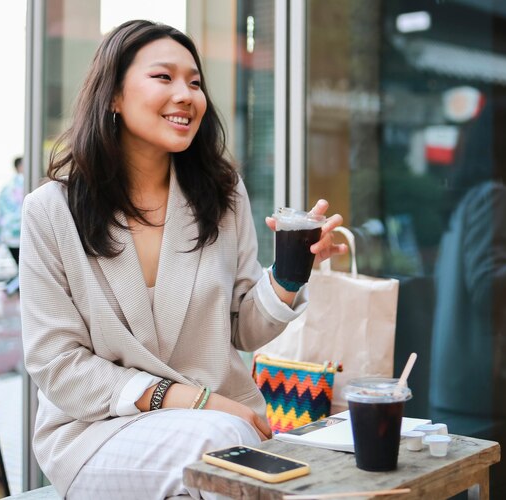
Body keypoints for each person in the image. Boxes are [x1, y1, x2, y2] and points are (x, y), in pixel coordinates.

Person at [19, 20, 346, 499]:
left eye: (195, 82)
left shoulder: (222, 195)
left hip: (220, 417)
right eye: (163, 77)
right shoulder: (50, 212)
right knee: (224, 448)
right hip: (98, 432)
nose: (186, 94)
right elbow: (57, 364)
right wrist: (196, 402)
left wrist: (290, 275)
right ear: (113, 94)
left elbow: (241, 327)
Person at [429, 97, 506, 499]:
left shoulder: (487, 195)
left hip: (481, 387)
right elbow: (487, 289)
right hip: (488, 390)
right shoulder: (493, 195)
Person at [0, 156, 24, 267]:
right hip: (21, 231)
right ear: (20, 166)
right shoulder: (25, 182)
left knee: (20, 268)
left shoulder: (6, 187)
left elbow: (0, 212)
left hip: (8, 233)